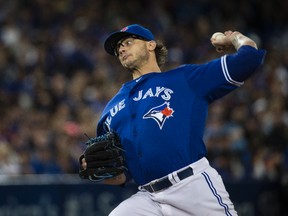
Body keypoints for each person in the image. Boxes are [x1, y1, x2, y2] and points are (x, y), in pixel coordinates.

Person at [81, 24, 266, 215]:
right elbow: (121, 176)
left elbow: (249, 59)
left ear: (150, 45)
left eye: (128, 42)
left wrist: (234, 38)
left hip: (192, 187)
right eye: (118, 47)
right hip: (148, 198)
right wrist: (96, 169)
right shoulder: (110, 110)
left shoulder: (184, 79)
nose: (121, 49)